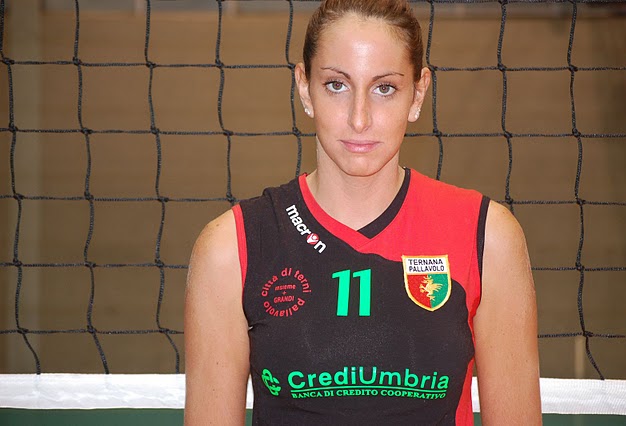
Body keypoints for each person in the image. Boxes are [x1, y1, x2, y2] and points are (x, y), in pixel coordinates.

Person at [184, 0, 541, 424]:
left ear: (418, 94)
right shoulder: (232, 248)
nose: (359, 119)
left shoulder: (486, 238)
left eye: (384, 88)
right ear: (304, 87)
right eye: (337, 85)